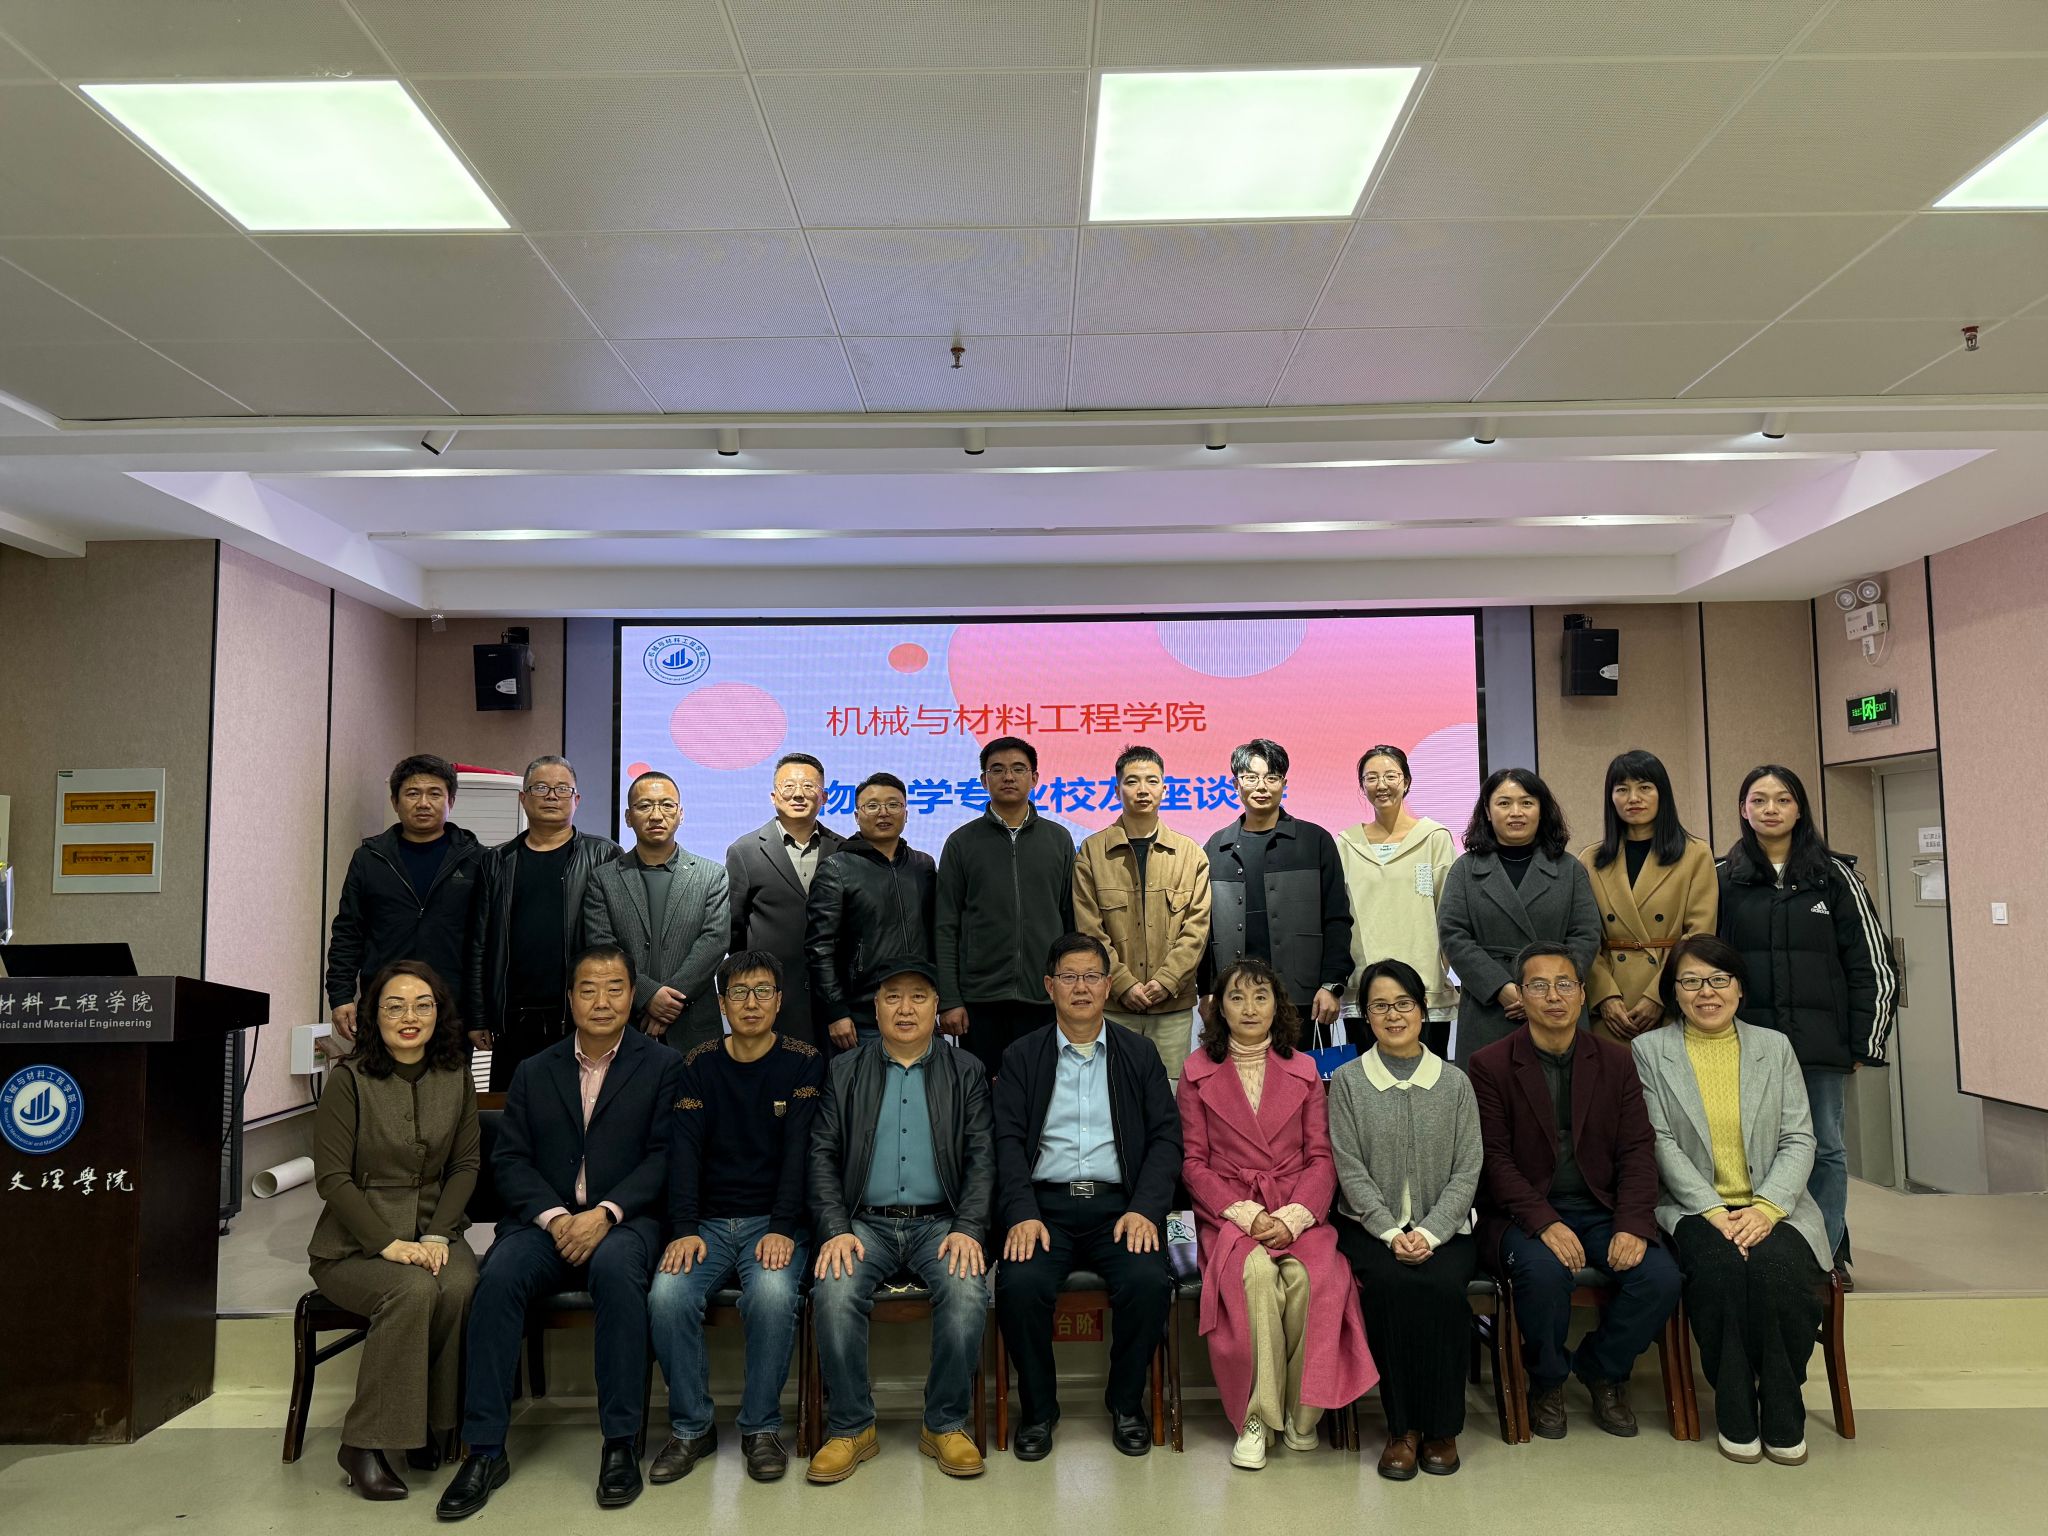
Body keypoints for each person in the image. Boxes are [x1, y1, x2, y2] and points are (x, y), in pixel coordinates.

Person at [437, 946, 685, 1519]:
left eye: (615, 988)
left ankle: (620, 1443)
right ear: (570, 998)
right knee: (497, 1277)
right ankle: (484, 1450)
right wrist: (555, 1217)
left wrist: (606, 1213)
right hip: (545, 1223)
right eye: (588, 989)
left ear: (633, 995)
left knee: (618, 1274)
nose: (602, 1001)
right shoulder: (534, 1069)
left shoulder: (663, 1066)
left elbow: (664, 1157)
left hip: (623, 1222)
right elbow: (510, 1161)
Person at [1468, 942, 1681, 1441]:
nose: (1553, 996)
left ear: (1583, 994)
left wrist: (1632, 1223)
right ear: (1520, 996)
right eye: (1539, 986)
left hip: (1601, 1208)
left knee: (1660, 1277)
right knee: (1543, 1274)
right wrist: (1544, 1222)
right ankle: (1546, 1381)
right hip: (1522, 1215)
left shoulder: (1616, 1061)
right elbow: (1493, 1160)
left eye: (1565, 984)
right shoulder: (1490, 1065)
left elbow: (1637, 1150)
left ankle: (1601, 1368)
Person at [1632, 936, 1832, 1466]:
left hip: (1777, 1205)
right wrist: (1715, 1212)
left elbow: (1799, 1138)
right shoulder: (1648, 1051)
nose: (1707, 992)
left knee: (1778, 1274)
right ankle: (1736, 1406)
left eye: (1719, 980)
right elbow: (1658, 1140)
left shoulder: (1775, 1047)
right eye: (1691, 981)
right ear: (1674, 993)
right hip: (1694, 1207)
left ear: (1739, 988)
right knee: (1719, 1273)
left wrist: (1766, 1208)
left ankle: (1783, 1404)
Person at [1178, 958, 1376, 1471]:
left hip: (1296, 1205)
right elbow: (1193, 1163)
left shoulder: (1305, 1070)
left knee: (1317, 1278)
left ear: (1277, 1006)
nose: (1249, 1008)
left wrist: (1293, 1217)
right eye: (1237, 997)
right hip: (1230, 1214)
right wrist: (1245, 1215)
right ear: (1218, 1008)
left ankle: (1301, 1412)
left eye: (1261, 996)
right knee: (1257, 1277)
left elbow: (1322, 1157)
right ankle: (1255, 1416)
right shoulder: (1195, 1072)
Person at [991, 933, 1181, 1461]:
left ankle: (1126, 1403)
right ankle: (1039, 1411)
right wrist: (1021, 1213)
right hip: (1043, 1210)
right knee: (1020, 1284)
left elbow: (1167, 1139)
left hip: (1119, 1209)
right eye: (1069, 977)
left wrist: (1145, 1209)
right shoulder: (1022, 1056)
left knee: (1147, 1281)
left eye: (1092, 977)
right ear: (1049, 986)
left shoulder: (1138, 1054)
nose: (1081, 987)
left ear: (1107, 985)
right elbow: (1005, 1142)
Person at [805, 958, 994, 1485]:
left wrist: (969, 1227)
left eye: (918, 997)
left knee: (966, 1292)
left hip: (942, 1224)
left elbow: (982, 1158)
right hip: (864, 1223)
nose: (905, 1009)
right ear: (875, 1008)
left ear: (936, 1007)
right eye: (892, 997)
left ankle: (945, 1423)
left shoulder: (967, 1071)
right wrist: (835, 1229)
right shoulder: (844, 1070)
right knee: (833, 1291)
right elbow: (821, 1155)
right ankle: (851, 1427)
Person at [648, 951, 824, 1485]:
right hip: (705, 1225)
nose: (751, 1003)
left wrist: (783, 1226)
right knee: (667, 1296)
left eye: (763, 991)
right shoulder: (697, 1065)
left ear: (779, 1001)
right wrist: (683, 1229)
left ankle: (761, 1428)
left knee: (771, 1295)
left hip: (774, 1222)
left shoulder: (804, 1062)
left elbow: (800, 1153)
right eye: (739, 993)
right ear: (722, 1004)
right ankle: (691, 1428)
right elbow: (683, 1155)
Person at [308, 960, 479, 1501]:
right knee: (411, 1290)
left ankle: (430, 1427)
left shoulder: (455, 1075)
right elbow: (332, 1178)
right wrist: (387, 1244)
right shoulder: (349, 1080)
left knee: (458, 1284)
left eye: (423, 1005)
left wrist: (437, 1234)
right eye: (395, 1006)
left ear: (439, 1014)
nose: (410, 1017)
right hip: (352, 1247)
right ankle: (363, 1443)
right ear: (373, 1016)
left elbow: (465, 1165)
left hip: (435, 1230)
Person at [1715, 764, 1894, 1279]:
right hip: (1745, 1043)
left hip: (1821, 1045)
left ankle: (1825, 1255)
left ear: (1800, 809)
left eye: (1783, 799)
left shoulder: (1835, 876)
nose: (1770, 809)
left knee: (1825, 1150)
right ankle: (1762, 1251)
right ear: (1743, 809)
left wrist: (1864, 1042)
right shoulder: (1722, 876)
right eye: (1759, 799)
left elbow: (1872, 963)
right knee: (1752, 1149)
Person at [1327, 958, 1483, 1480]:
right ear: (1365, 1016)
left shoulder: (1455, 1083)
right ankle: (1403, 1429)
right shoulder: (1347, 1082)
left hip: (1447, 1228)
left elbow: (1468, 1168)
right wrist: (1393, 1232)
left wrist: (1432, 1232)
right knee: (1392, 1286)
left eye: (1403, 1004)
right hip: (1369, 1229)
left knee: (1440, 1287)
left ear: (1422, 1010)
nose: (1393, 1015)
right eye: (1380, 1006)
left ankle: (1441, 1428)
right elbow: (1349, 1168)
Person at [467, 756, 621, 1090]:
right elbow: (479, 942)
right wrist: (479, 1014)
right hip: (513, 1017)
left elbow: (619, 941)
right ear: (523, 798)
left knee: (580, 1109)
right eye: (540, 788)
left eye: (562, 789)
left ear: (576, 800)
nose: (551, 795)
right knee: (513, 1109)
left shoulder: (604, 855)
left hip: (579, 1014)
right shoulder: (496, 861)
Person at [1437, 767, 1601, 1062]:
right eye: (1504, 803)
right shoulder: (1465, 869)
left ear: (1542, 810)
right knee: (1490, 1085)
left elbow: (1586, 935)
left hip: (1557, 1003)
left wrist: (1545, 989)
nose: (1516, 812)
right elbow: (1453, 936)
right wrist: (1501, 988)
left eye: (1527, 802)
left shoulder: (1569, 869)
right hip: (1490, 1006)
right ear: (1488, 812)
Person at [936, 737, 1077, 1076]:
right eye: (997, 770)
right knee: (981, 1093)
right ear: (984, 780)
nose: (1008, 777)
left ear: (1035, 778)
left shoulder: (1058, 839)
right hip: (980, 1001)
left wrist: (1069, 987)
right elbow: (945, 926)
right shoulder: (961, 842)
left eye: (1018, 769)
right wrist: (951, 999)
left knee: (1040, 1090)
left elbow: (1070, 921)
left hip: (1043, 996)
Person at [1200, 738, 1353, 1047]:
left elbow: (1336, 918)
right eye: (1250, 778)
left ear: (1284, 783)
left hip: (1303, 998)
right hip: (1235, 1000)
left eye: (1271, 777)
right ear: (1235, 784)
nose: (1261, 787)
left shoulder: (1315, 841)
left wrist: (1331, 984)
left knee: (1301, 1075)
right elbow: (1204, 929)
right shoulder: (1216, 848)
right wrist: (1206, 990)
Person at [1073, 745, 1212, 1084]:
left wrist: (1166, 982)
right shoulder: (1092, 851)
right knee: (1113, 1091)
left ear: (1165, 788)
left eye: (1152, 781)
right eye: (1132, 781)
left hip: (1172, 1007)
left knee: (1171, 1093)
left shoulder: (1190, 854)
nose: (1142, 790)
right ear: (1117, 789)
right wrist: (1123, 984)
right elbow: (1090, 930)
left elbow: (1196, 930)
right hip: (1113, 1005)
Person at [327, 753, 483, 1043]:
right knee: (378, 1073)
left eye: (434, 793)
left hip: (451, 1009)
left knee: (447, 1075)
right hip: (383, 1004)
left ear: (451, 801)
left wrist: (480, 1015)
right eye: (412, 793)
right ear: (395, 802)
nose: (423, 803)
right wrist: (340, 995)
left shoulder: (478, 860)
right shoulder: (369, 859)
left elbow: (485, 943)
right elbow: (348, 931)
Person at [582, 770, 730, 1053]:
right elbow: (602, 947)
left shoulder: (712, 875)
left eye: (666, 805)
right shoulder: (604, 878)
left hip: (694, 1025)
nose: (656, 815)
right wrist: (648, 995)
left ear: (681, 814)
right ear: (628, 817)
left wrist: (669, 1001)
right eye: (644, 806)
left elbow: (715, 942)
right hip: (627, 1021)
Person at [1578, 750, 1715, 1048]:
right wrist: (1605, 996)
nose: (1633, 798)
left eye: (1644, 787)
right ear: (1610, 798)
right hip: (1611, 1007)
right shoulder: (1591, 859)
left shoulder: (1695, 854)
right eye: (1622, 789)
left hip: (1673, 995)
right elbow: (1584, 937)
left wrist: (1658, 996)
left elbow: (1699, 935)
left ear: (1662, 793)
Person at [1336, 744, 1460, 1057]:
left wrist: (1436, 968)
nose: (1382, 785)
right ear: (1362, 786)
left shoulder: (1434, 838)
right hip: (1363, 991)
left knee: (1427, 1078)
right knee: (1367, 1080)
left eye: (1390, 776)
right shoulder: (1346, 843)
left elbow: (1450, 914)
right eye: (1371, 778)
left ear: (1406, 781)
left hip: (1424, 991)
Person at [805, 773, 937, 1053]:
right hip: (862, 1016)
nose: (883, 813)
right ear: (857, 816)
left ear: (906, 813)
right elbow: (819, 948)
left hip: (919, 1008)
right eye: (873, 806)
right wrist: (836, 1011)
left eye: (893, 805)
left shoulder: (923, 866)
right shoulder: (837, 868)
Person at [724, 753, 846, 1050]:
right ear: (773, 796)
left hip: (835, 1001)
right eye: (788, 786)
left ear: (824, 797)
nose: (798, 794)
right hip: (771, 999)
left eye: (809, 786)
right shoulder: (745, 851)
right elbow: (734, 930)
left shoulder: (844, 850)